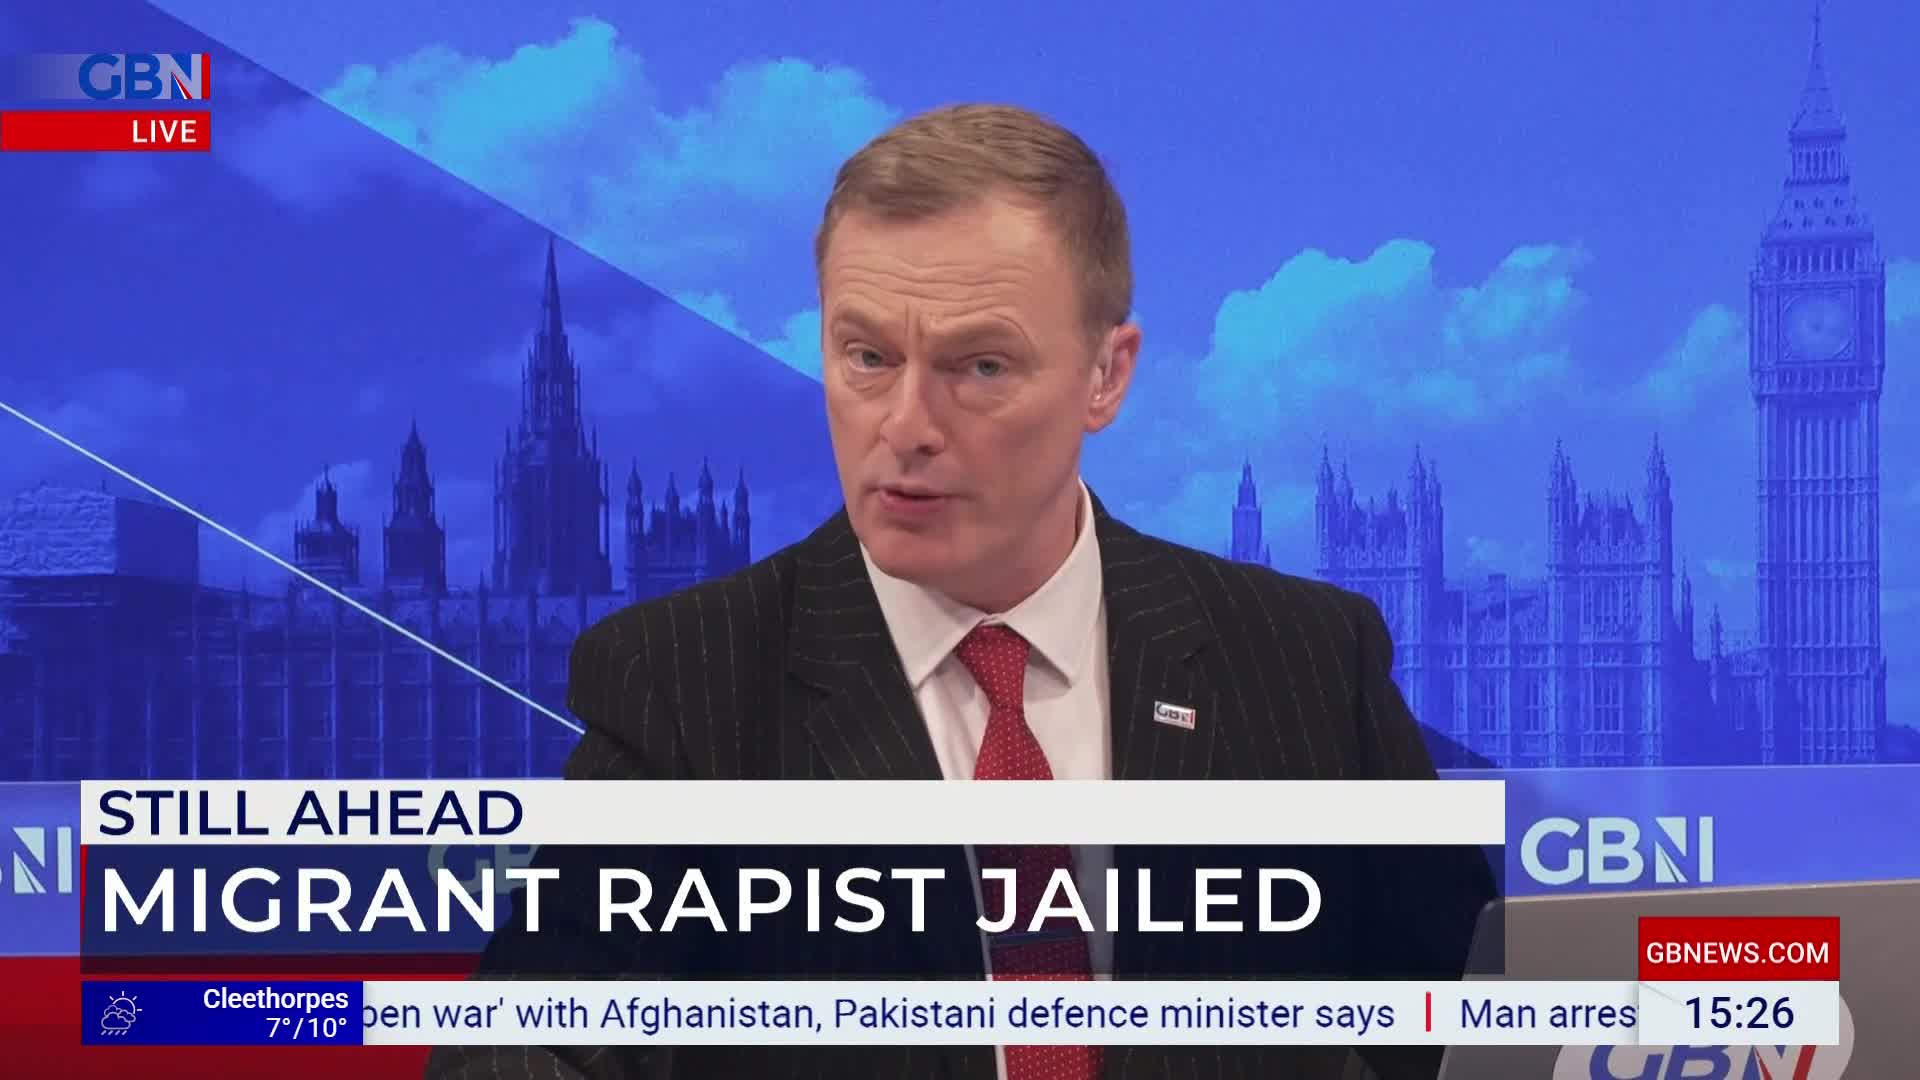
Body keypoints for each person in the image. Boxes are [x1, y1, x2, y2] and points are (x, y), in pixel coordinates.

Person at [427, 103, 1493, 1080]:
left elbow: (1479, 1035)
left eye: (980, 366)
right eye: (867, 357)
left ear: (1107, 376)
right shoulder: (683, 680)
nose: (906, 424)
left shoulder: (1307, 660)